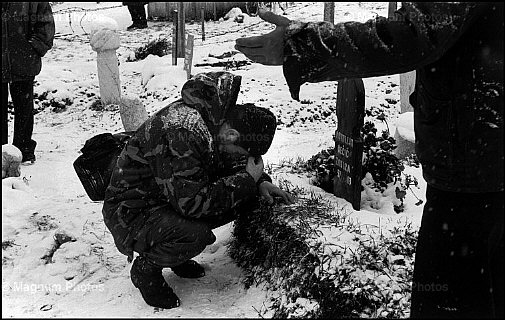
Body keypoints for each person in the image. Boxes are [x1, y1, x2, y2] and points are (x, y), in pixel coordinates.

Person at [235, 3, 503, 319]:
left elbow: (411, 35)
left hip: (474, 169)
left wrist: (305, 44)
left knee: (451, 300)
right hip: (482, 157)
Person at [102, 71, 295, 309]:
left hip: (163, 199)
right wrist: (246, 180)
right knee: (195, 234)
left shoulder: (213, 120)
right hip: (131, 212)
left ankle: (175, 254)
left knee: (242, 197)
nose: (238, 158)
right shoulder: (184, 131)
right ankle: (146, 271)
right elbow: (192, 203)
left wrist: (258, 182)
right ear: (233, 135)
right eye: (241, 154)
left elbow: (218, 164)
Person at [2, 2, 55, 163]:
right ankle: (2, 152)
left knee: (24, 107)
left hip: (23, 60)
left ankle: (23, 148)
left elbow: (45, 23)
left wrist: (33, 47)